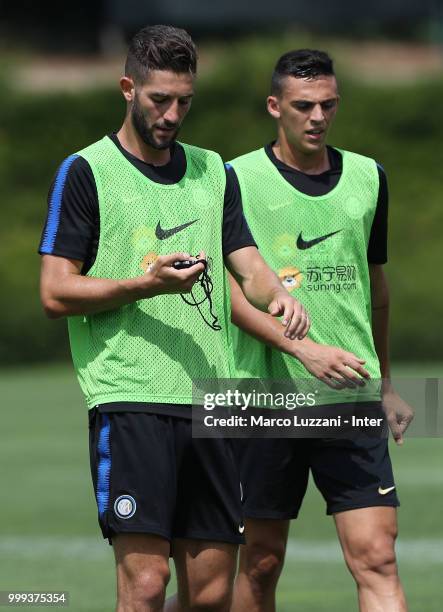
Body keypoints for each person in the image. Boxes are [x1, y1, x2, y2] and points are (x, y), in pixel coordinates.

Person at [38, 27, 310, 612]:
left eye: (184, 100)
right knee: (144, 586)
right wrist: (145, 285)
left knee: (212, 594)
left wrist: (274, 298)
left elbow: (249, 264)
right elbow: (56, 290)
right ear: (127, 88)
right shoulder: (87, 171)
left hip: (212, 400)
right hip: (131, 396)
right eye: (160, 99)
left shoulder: (214, 172)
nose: (172, 113)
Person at [227, 49, 413, 612]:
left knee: (377, 556)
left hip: (350, 392)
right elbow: (228, 294)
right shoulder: (233, 178)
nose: (317, 117)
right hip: (264, 399)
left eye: (328, 104)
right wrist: (300, 348)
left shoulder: (368, 176)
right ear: (274, 106)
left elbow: (375, 286)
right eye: (304, 105)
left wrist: (384, 383)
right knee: (260, 561)